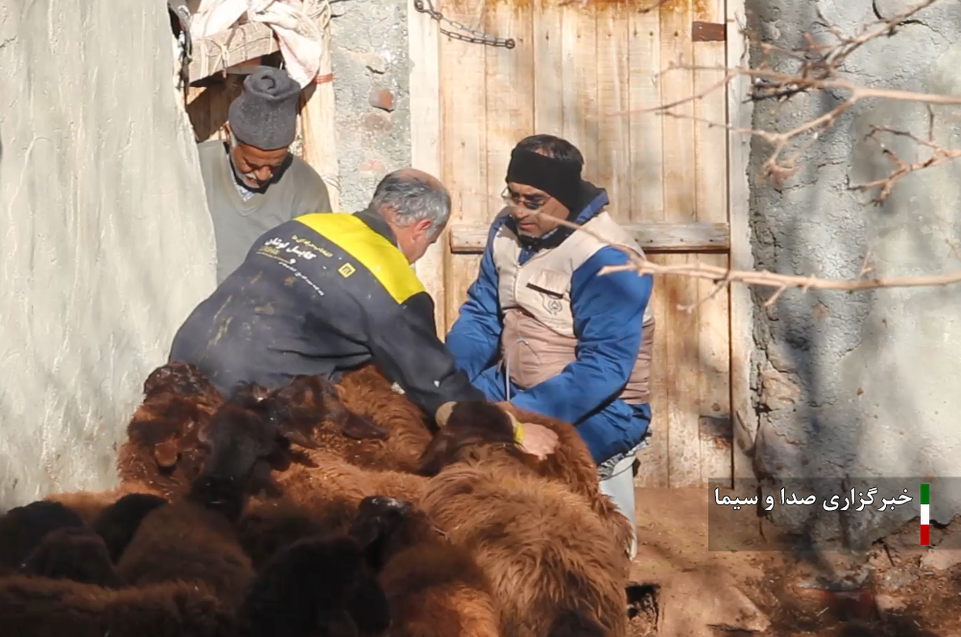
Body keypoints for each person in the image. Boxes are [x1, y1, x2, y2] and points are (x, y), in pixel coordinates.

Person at [168, 168, 558, 458]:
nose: (420, 254)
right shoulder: (393, 283)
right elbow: (438, 386)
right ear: (422, 228)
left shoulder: (302, 226)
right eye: (430, 242)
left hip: (181, 366)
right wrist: (515, 433)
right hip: (246, 398)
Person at [445, 134, 655, 557]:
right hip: (508, 387)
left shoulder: (608, 258)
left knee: (509, 467)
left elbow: (604, 368)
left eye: (534, 201)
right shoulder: (505, 231)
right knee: (435, 430)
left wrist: (520, 416)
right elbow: (482, 317)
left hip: (603, 408)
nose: (519, 210)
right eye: (513, 195)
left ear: (565, 197)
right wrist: (449, 385)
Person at [197, 65, 333, 283]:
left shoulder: (306, 188)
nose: (262, 175)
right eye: (251, 164)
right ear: (228, 135)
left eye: (275, 165)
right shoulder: (195, 169)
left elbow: (318, 270)